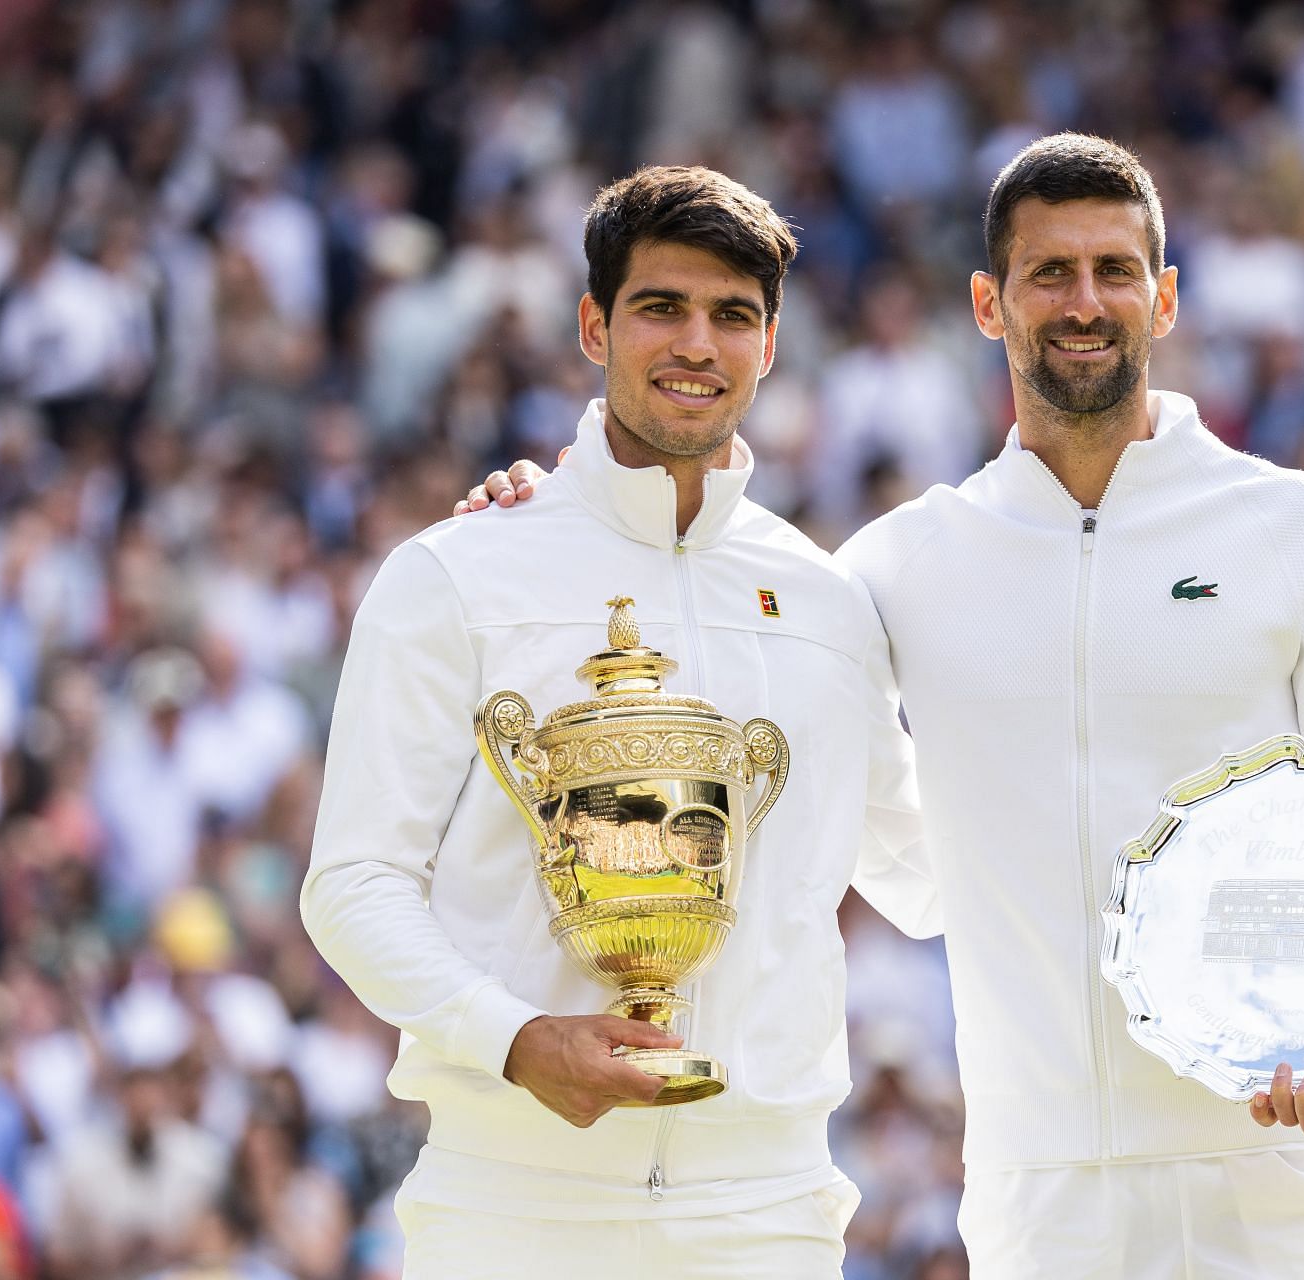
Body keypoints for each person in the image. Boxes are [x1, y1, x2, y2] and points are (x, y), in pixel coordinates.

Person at [469, 135, 1304, 1277]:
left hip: (1282, 1176)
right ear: (987, 303)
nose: (1084, 302)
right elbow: (892, 846)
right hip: (1036, 1201)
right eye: (1049, 273)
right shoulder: (894, 565)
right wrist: (552, 510)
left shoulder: (1298, 529)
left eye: (1115, 271)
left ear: (1163, 299)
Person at [302, 166, 937, 1278]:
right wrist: (515, 1039)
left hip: (769, 1205)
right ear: (596, 324)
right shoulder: (458, 570)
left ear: (771, 345)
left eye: (733, 315)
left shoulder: (830, 604)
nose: (698, 342)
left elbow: (924, 874)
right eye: (662, 307)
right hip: (515, 1196)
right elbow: (353, 882)